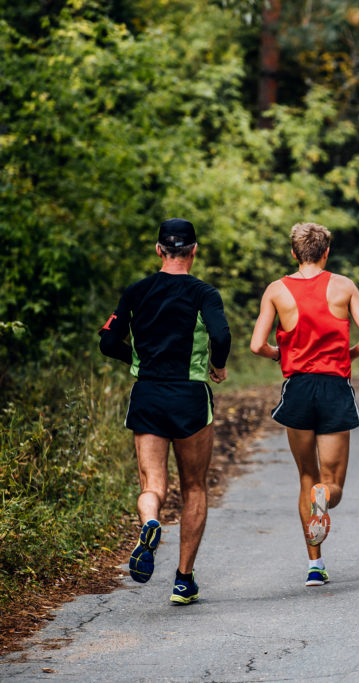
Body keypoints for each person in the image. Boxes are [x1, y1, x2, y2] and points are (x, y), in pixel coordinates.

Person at [99, 218, 230, 605]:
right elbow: (220, 335)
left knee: (152, 486)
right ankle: (183, 580)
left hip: (149, 395)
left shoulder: (136, 291)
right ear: (194, 251)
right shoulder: (205, 293)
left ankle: (151, 522)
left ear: (159, 250)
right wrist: (218, 365)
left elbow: (107, 341)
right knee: (194, 487)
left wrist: (137, 358)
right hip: (190, 395)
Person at [249, 222, 359, 588]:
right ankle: (325, 497)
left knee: (306, 476)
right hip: (335, 387)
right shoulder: (343, 286)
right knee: (331, 482)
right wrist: (345, 355)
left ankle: (315, 565)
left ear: (294, 253)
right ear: (326, 252)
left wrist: (283, 355)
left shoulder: (276, 290)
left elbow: (258, 345)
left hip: (298, 388)